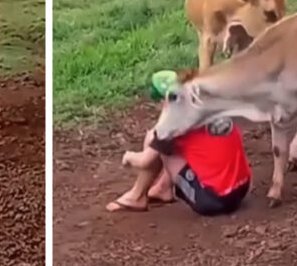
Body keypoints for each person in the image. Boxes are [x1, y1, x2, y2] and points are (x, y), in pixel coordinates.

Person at [106, 70, 251, 216]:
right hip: (241, 188)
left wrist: (128, 157)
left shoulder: (176, 122)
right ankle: (162, 188)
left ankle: (137, 196)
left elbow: (145, 161)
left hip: (214, 200)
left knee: (155, 140)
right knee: (182, 145)